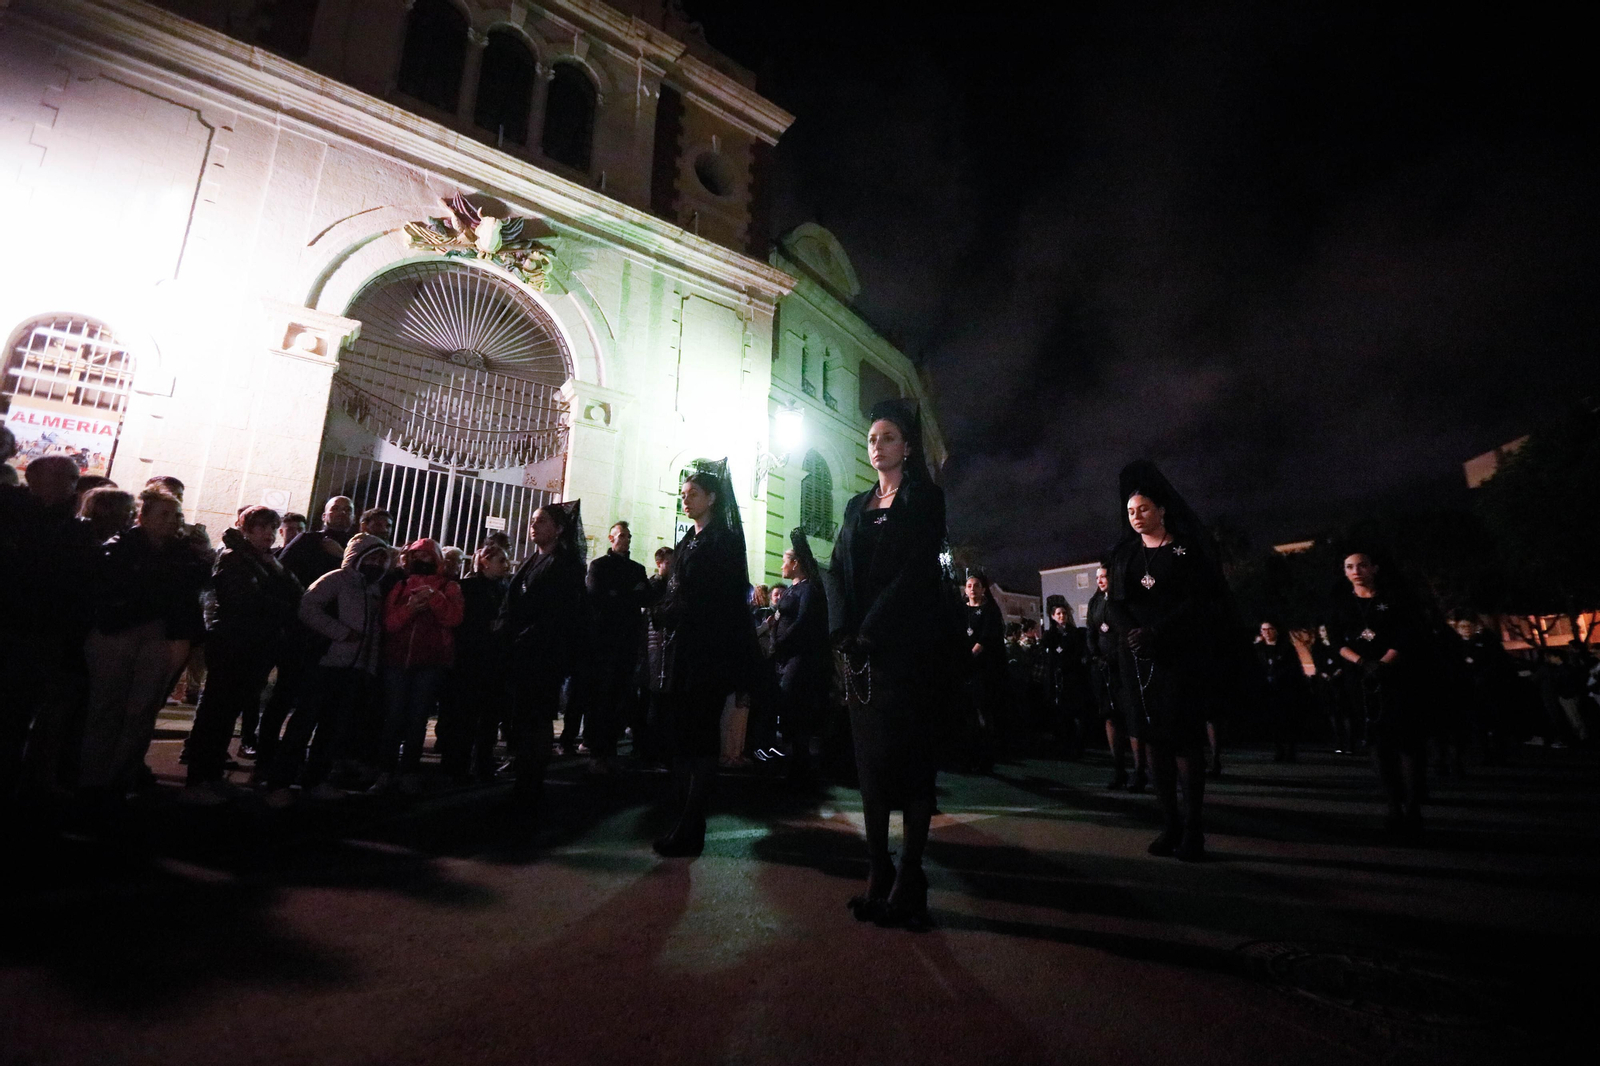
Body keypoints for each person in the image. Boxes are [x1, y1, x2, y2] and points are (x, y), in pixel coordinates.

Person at [828, 401, 947, 928]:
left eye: (889, 437)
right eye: (873, 437)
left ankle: (912, 874)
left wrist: (873, 627)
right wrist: (841, 631)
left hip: (906, 649)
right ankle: (878, 868)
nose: (877, 445)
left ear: (907, 447)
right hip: (860, 655)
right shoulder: (856, 505)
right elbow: (835, 569)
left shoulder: (926, 499)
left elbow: (917, 571)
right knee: (871, 767)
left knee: (913, 763)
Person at [1106, 461, 1231, 862]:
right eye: (1130, 511)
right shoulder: (1124, 554)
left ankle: (1194, 829)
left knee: (1184, 744)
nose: (1136, 516)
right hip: (1138, 660)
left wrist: (1157, 633)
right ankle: (1169, 824)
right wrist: (1134, 635)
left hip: (1178, 656)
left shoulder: (1184, 549)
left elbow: (1197, 601)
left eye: (1143, 509)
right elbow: (1115, 604)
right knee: (1154, 744)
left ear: (1161, 510)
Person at [76, 488, 205, 803]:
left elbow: (189, 595)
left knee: (143, 709)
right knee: (108, 706)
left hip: (158, 634)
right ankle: (93, 779)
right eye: (162, 514)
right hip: (119, 630)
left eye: (175, 514)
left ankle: (121, 776)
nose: (172, 521)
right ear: (142, 516)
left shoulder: (182, 553)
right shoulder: (121, 547)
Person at [652, 462, 752, 857]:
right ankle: (683, 817)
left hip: (708, 652)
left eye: (692, 493)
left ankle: (693, 824)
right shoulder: (688, 542)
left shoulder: (722, 541)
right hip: (685, 649)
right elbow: (675, 586)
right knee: (683, 735)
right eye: (683, 494)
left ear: (711, 498)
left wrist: (675, 611)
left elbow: (717, 598)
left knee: (701, 736)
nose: (685, 499)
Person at [181, 506, 303, 803]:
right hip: (234, 643)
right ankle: (199, 779)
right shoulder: (234, 558)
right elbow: (249, 601)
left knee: (227, 713)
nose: (269, 533)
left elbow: (296, 591)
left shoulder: (264, 560)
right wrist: (283, 606)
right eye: (262, 527)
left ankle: (211, 775)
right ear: (246, 528)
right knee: (216, 712)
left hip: (256, 644)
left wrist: (275, 575)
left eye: (273, 528)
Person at [261, 532, 391, 802]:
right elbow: (308, 608)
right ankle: (279, 783)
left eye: (382, 558)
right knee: (303, 725)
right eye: (372, 557)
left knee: (332, 729)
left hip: (353, 670)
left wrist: (369, 666)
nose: (377, 563)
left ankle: (315, 780)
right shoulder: (336, 580)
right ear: (358, 556)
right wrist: (340, 633)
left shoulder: (374, 590)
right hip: (324, 664)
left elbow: (375, 634)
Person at [497, 503, 587, 822]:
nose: (533, 525)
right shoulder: (532, 559)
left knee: (536, 718)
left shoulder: (565, 564)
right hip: (520, 651)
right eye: (532, 519)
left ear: (559, 529)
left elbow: (559, 613)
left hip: (543, 654)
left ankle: (531, 784)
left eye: (542, 520)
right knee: (522, 717)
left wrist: (528, 636)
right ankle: (524, 777)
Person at [1333, 549, 1427, 838]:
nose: (1356, 571)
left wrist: (1385, 663)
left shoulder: (1395, 599)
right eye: (1350, 566)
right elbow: (1337, 641)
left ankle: (1412, 806)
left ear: (1374, 568)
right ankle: (1392, 805)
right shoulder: (1341, 605)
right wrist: (1362, 663)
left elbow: (1406, 634)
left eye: (1362, 565)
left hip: (1398, 678)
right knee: (1377, 743)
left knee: (1407, 743)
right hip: (1361, 680)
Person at [374, 539, 464, 794]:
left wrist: (434, 598)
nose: (421, 560)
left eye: (427, 556)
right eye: (417, 556)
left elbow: (454, 618)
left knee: (417, 719)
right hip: (397, 661)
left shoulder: (450, 586)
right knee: (393, 717)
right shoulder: (400, 586)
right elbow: (389, 623)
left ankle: (409, 771)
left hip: (430, 663)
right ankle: (386, 771)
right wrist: (410, 609)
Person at [440, 542, 512, 781]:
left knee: (489, 715)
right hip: (470, 661)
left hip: (494, 661)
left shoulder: (505, 588)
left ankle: (482, 761)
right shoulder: (468, 588)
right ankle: (456, 763)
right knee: (464, 714)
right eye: (501, 560)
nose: (507, 565)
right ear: (484, 562)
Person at [583, 521, 649, 773]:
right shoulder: (599, 566)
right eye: (622, 535)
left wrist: (618, 595)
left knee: (621, 697)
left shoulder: (636, 568)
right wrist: (628, 595)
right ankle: (599, 752)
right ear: (611, 538)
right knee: (603, 697)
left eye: (629, 536)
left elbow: (645, 596)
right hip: (605, 642)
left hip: (628, 642)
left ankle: (609, 750)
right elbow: (597, 597)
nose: (626, 540)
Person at [772, 529, 830, 781]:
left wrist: (781, 642)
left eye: (786, 560)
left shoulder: (808, 590)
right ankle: (791, 759)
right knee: (787, 708)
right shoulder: (790, 590)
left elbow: (803, 621)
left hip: (798, 657)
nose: (782, 565)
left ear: (796, 564)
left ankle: (800, 764)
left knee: (795, 706)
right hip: (784, 656)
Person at [1087, 566, 1143, 789]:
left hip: (1123, 666)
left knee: (1131, 719)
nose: (1100, 580)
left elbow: (1127, 630)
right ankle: (1118, 769)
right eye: (1098, 577)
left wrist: (1116, 656)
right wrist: (1095, 655)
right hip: (1103, 669)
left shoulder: (1122, 598)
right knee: (1110, 718)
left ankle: (1139, 771)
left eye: (1104, 576)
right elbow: (1091, 630)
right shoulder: (1095, 602)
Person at [963, 569, 1007, 767]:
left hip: (983, 668)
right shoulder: (962, 610)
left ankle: (987, 753)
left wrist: (970, 654)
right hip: (964, 668)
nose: (972, 589)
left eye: (976, 585)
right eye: (969, 585)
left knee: (983, 710)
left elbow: (986, 637)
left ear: (983, 589)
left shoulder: (990, 610)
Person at [1256, 621, 1309, 762]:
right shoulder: (1259, 649)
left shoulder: (1286, 648)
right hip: (1268, 690)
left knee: (1288, 720)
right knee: (1273, 721)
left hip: (1285, 689)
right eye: (1263, 629)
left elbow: (1295, 668)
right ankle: (1278, 749)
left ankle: (1290, 749)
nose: (1266, 632)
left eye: (1269, 629)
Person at [1040, 596, 1086, 758]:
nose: (1061, 616)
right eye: (1058, 614)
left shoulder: (1074, 633)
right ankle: (1063, 744)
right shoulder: (1049, 635)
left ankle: (1078, 744)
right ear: (1053, 616)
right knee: (1060, 713)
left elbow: (1077, 652)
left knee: (1076, 713)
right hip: (1056, 678)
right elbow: (1048, 656)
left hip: (1072, 677)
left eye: (1063, 613)